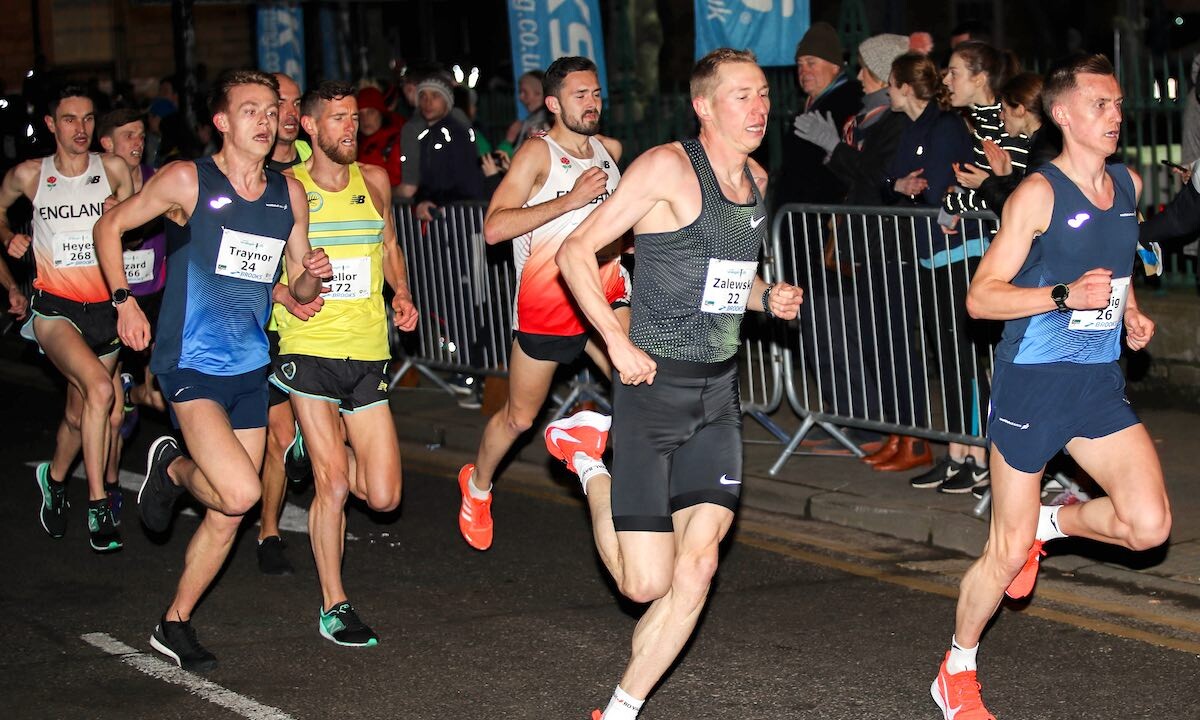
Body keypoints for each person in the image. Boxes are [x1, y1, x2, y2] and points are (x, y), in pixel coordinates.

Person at [551, 48, 803, 719]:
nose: (759, 107)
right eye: (742, 96)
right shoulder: (666, 167)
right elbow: (574, 252)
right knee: (644, 585)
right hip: (653, 392)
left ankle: (621, 708)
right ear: (704, 107)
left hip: (719, 396)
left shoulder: (756, 179)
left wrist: (767, 297)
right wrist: (616, 342)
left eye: (762, 94)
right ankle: (587, 461)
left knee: (697, 570)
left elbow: (726, 279)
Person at [933, 54, 1171, 720]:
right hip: (1032, 387)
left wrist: (1130, 312)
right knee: (1005, 552)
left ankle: (1051, 522)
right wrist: (1063, 296)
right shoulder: (1037, 195)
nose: (1115, 116)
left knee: (1149, 526)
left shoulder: (1125, 183)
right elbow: (981, 298)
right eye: (1100, 105)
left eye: (1118, 104)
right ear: (1062, 114)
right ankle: (957, 668)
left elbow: (1114, 269)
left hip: (1097, 384)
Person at [93, 69, 331, 671]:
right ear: (222, 121)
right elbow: (109, 226)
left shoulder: (288, 194)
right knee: (242, 490)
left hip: (250, 363)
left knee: (229, 513)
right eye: (251, 110)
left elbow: (297, 280)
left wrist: (311, 275)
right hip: (191, 360)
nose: (266, 120)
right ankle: (174, 468)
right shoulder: (187, 179)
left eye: (272, 110)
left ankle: (173, 622)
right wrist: (123, 302)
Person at [456, 56, 629, 552]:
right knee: (519, 418)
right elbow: (494, 228)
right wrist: (569, 200)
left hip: (605, 291)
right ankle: (477, 486)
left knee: (639, 380)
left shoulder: (610, 151)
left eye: (596, 94)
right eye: (580, 96)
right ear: (553, 103)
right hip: (548, 302)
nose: (592, 104)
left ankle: (616, 472)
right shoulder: (537, 154)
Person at [269, 80, 419, 645]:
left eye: (353, 117)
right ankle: (335, 604)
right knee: (332, 484)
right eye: (337, 118)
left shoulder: (374, 180)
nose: (350, 127)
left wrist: (401, 293)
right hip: (308, 346)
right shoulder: (288, 188)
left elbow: (390, 247)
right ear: (310, 126)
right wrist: (289, 291)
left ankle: (309, 444)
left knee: (383, 496)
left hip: (368, 349)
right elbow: (260, 266)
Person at [0, 86, 134, 552]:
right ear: (52, 125)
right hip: (54, 307)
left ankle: (54, 478)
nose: (81, 129)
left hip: (104, 310)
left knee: (80, 415)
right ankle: (98, 506)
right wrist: (8, 237)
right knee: (101, 391)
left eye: (89, 119)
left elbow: (136, 220)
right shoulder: (30, 174)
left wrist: (122, 213)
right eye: (70, 119)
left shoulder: (113, 170)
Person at [880, 53, 975, 474]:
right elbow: (891, 180)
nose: (887, 90)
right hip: (929, 251)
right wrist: (901, 185)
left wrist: (913, 187)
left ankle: (975, 452)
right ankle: (957, 451)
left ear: (904, 87)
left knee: (962, 356)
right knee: (946, 352)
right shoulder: (912, 128)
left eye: (890, 83)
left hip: (959, 252)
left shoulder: (945, 124)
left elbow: (938, 188)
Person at [257, 71, 313, 577]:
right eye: (281, 105)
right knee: (280, 433)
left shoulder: (317, 166)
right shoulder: (249, 170)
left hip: (317, 321)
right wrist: (278, 290)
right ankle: (269, 531)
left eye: (297, 104)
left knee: (294, 433)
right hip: (265, 322)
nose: (290, 114)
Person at [356, 86, 404, 191]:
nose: (365, 119)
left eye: (370, 112)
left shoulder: (396, 141)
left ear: (381, 113)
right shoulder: (356, 144)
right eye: (360, 114)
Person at [498, 70, 552, 156]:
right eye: (520, 92)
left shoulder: (549, 120)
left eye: (524, 92)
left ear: (538, 93)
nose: (520, 97)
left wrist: (508, 141)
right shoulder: (531, 120)